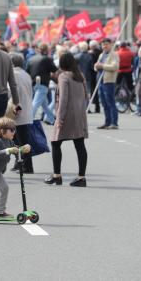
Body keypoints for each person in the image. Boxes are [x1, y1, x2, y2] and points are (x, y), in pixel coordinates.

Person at [45, 52, 88, 187]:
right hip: (80, 114)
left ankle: (57, 175)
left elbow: (63, 99)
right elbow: (86, 95)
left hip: (67, 113)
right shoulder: (80, 75)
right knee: (79, 144)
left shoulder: (63, 76)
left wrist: (60, 118)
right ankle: (81, 177)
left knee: (55, 142)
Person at [8, 52, 34, 173]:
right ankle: (20, 163)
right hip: (26, 108)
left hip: (18, 110)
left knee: (20, 140)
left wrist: (14, 107)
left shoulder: (14, 74)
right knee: (20, 139)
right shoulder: (25, 74)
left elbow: (13, 92)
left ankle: (27, 166)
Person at [26, 43, 57, 124]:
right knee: (36, 103)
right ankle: (29, 120)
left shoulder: (31, 59)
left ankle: (52, 119)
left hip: (34, 83)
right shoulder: (46, 59)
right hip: (43, 83)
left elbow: (27, 71)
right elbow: (54, 69)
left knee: (44, 104)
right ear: (46, 50)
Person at [94, 38, 120, 129]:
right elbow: (97, 65)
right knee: (104, 103)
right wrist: (96, 67)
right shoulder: (101, 55)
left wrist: (102, 66)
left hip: (108, 81)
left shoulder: (113, 54)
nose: (105, 46)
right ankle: (107, 121)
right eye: (103, 44)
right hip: (100, 81)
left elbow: (114, 66)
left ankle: (114, 123)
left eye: (106, 44)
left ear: (111, 45)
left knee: (110, 102)